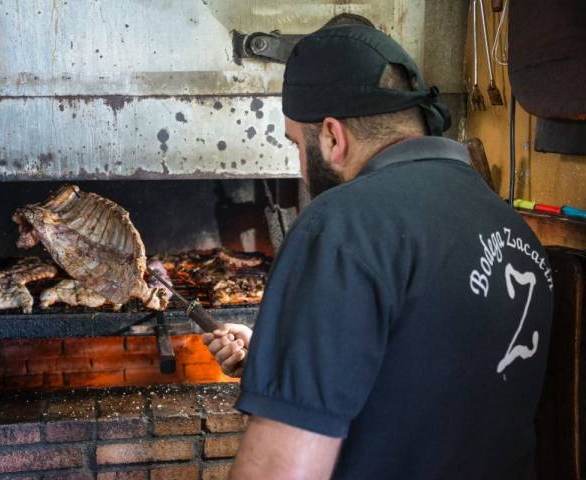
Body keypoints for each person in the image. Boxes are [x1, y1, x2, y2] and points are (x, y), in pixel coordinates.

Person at [202, 23, 553, 479]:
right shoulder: (512, 229)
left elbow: (280, 471)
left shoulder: (342, 226)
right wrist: (286, 354)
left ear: (332, 136)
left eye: (297, 144)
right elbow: (423, 384)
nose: (301, 165)